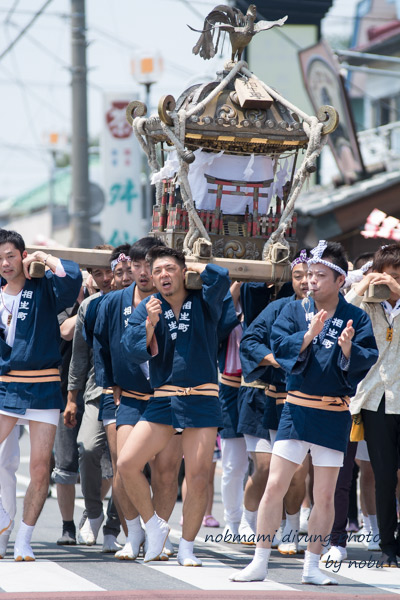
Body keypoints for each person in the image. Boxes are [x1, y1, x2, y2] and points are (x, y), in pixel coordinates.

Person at [230, 240, 378, 585]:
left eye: (320, 275)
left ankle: (312, 565)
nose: (312, 281)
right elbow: (280, 347)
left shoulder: (356, 316)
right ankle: (260, 559)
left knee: (324, 494)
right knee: (276, 485)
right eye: (309, 274)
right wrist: (307, 336)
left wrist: (347, 349)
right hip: (295, 410)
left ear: (340, 281)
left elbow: (366, 358)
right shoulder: (294, 311)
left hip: (333, 413)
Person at [119, 246, 230, 567]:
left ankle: (187, 548)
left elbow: (221, 277)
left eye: (170, 269)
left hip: (203, 397)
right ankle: (154, 525)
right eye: (157, 271)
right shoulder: (148, 306)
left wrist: (195, 264)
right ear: (150, 278)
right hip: (164, 399)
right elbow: (132, 351)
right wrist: (150, 323)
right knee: (127, 463)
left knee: (197, 476)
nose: (163, 275)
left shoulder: (205, 301)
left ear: (183, 272)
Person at [93, 237, 182, 560]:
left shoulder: (176, 300)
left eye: (149, 265)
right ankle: (134, 532)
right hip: (125, 395)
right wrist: (108, 386)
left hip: (168, 396)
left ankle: (161, 531)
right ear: (127, 265)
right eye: (137, 264)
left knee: (166, 470)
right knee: (123, 465)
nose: (143, 272)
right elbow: (100, 346)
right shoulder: (112, 303)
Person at [0, 229, 81, 561]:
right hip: (5, 386)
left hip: (44, 387)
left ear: (22, 255)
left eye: (10, 255)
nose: (5, 263)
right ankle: (4, 520)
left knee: (39, 468)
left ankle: (24, 539)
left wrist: (44, 258)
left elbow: (72, 276)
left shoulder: (44, 287)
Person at [239, 249, 310, 554]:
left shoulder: (339, 311)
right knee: (267, 469)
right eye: (299, 275)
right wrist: (275, 360)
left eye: (313, 275)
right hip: (277, 398)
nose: (307, 281)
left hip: (314, 402)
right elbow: (250, 340)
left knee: (298, 473)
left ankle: (291, 530)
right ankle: (248, 520)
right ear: (290, 279)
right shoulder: (279, 307)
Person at [64, 246, 122, 552]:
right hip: (96, 390)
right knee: (86, 448)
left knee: (125, 464)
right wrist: (72, 398)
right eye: (96, 273)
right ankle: (95, 512)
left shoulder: (145, 299)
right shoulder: (90, 306)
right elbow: (80, 357)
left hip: (136, 394)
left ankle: (113, 526)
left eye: (108, 271)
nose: (104, 278)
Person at [346, 242, 400, 567]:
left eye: (396, 275)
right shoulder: (368, 302)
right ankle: (387, 545)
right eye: (386, 275)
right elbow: (342, 320)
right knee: (383, 475)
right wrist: (363, 285)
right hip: (376, 399)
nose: (389, 282)